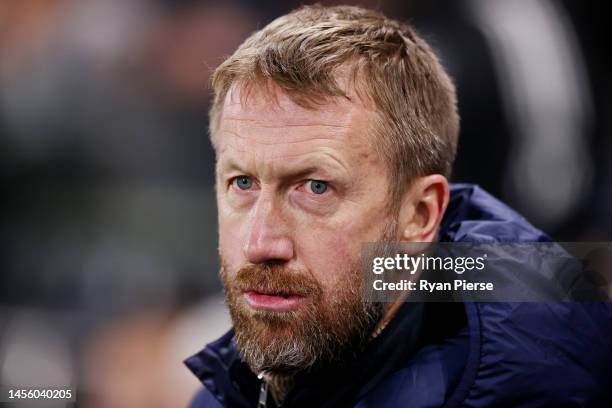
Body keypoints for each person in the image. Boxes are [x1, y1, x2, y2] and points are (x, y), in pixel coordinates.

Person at [184, 5, 612, 407]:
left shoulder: (533, 387)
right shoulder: (229, 387)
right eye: (242, 182)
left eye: (315, 187)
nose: (261, 243)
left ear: (420, 215)